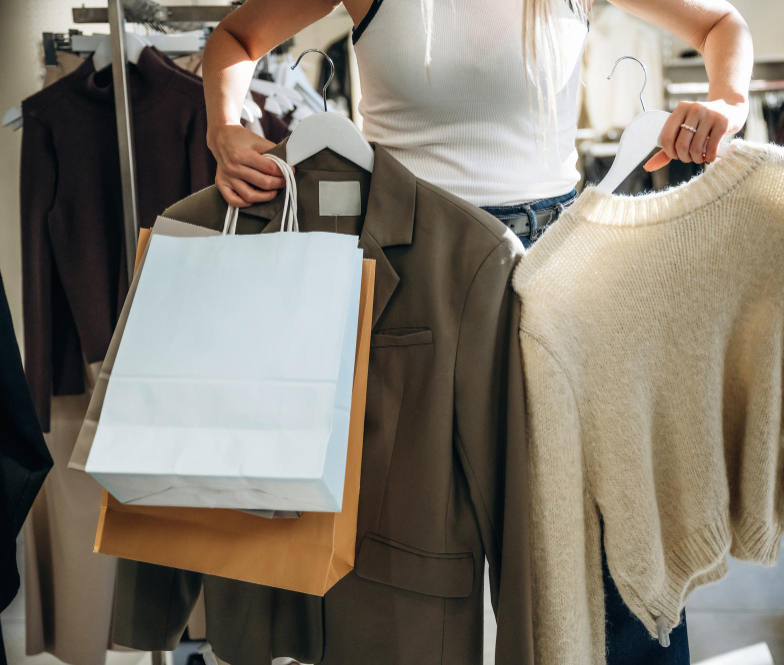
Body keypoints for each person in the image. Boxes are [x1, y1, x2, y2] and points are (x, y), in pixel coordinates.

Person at [201, 0, 752, 660]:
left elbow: (723, 26)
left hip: (556, 265)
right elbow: (234, 36)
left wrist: (728, 102)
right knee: (413, 545)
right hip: (411, 271)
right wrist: (224, 129)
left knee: (614, 529)